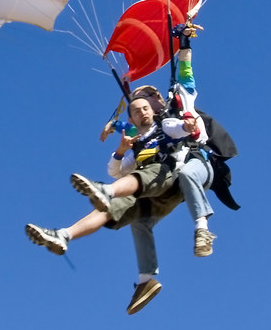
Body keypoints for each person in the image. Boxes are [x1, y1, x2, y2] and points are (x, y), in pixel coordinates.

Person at [25, 22, 216, 314]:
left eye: (146, 100)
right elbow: (118, 168)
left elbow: (185, 77)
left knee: (153, 175)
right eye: (135, 105)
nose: (141, 105)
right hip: (157, 188)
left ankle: (201, 228)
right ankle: (69, 238)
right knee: (129, 216)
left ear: (157, 102)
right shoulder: (138, 139)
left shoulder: (175, 113)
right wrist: (121, 148)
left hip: (183, 168)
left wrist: (184, 42)